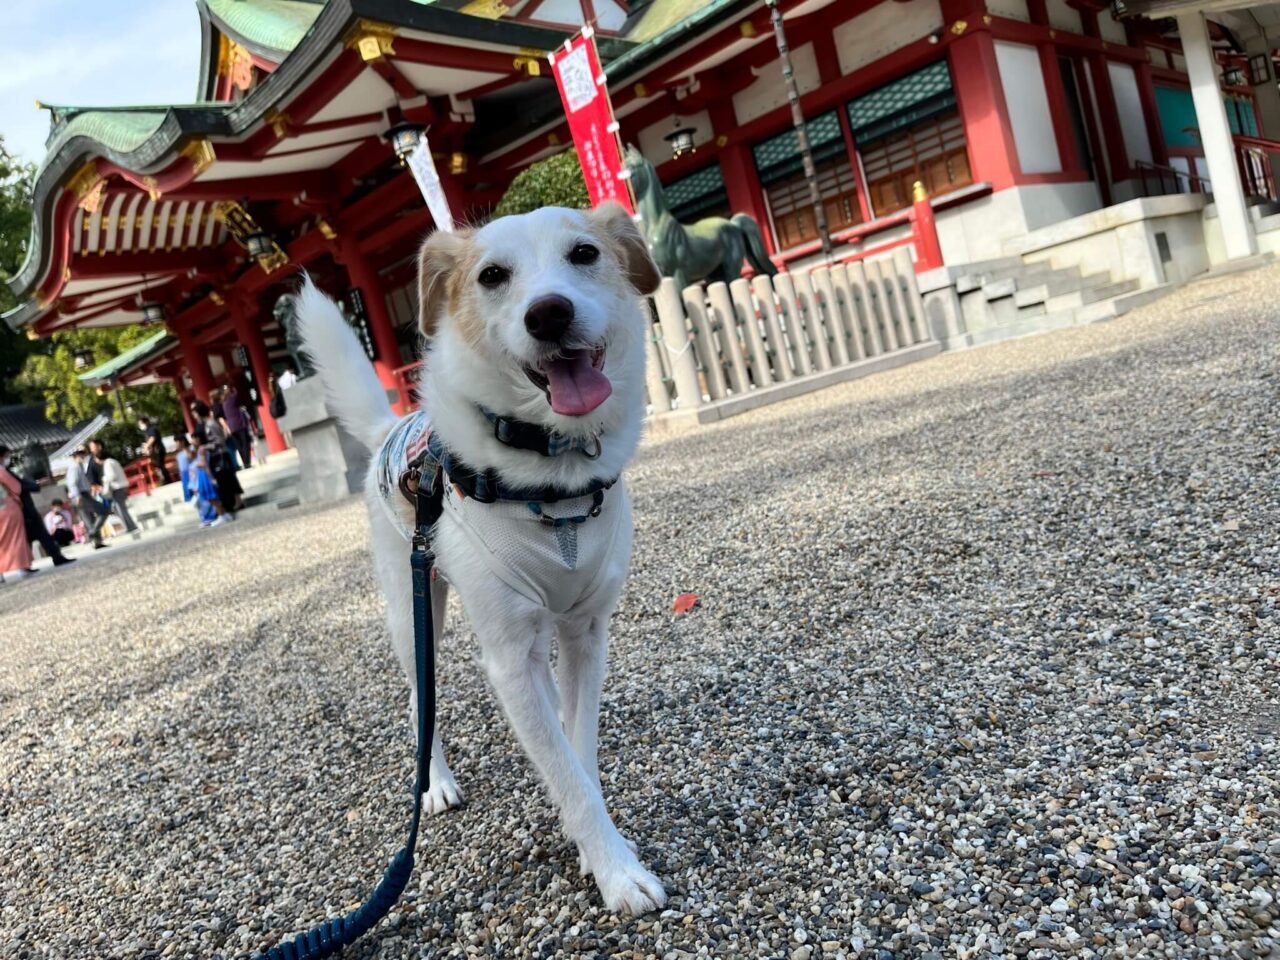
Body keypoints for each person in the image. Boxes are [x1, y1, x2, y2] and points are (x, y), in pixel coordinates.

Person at [193, 401, 242, 513]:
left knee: (228, 479)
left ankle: (236, 501)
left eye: (195, 413)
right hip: (217, 454)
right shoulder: (208, 424)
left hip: (220, 454)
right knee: (225, 480)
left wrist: (206, 446)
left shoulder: (210, 424)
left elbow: (220, 440)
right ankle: (233, 502)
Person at [0, 446, 35, 578]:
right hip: (7, 508)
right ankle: (21, 568)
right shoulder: (1, 471)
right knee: (16, 538)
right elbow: (17, 488)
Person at [65, 447, 109, 549]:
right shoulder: (74, 467)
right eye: (80, 454)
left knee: (89, 519)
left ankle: (96, 541)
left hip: (84, 494)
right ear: (76, 456)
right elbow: (72, 484)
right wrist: (78, 497)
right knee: (103, 511)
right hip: (80, 495)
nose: (83, 456)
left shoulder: (80, 466)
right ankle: (93, 533)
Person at [98, 447, 137, 533]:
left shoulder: (107, 463)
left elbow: (112, 476)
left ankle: (130, 526)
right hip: (122, 485)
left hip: (117, 487)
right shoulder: (113, 461)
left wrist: (104, 479)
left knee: (120, 508)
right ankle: (130, 525)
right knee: (120, 508)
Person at [221, 382, 254, 471]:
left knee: (239, 445)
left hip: (232, 427)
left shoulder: (224, 403)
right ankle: (247, 462)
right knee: (245, 443)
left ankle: (244, 461)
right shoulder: (232, 398)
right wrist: (234, 389)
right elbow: (237, 394)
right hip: (239, 424)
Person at [138, 416, 172, 484]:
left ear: (146, 422)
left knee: (160, 465)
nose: (140, 426)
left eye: (141, 423)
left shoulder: (151, 429)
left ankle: (167, 479)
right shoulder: (147, 431)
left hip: (158, 449)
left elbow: (152, 438)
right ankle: (164, 479)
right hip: (155, 451)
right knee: (158, 465)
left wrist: (146, 446)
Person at [174, 434, 194, 503]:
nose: (176, 444)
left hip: (191, 473)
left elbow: (190, 458)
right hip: (183, 474)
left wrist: (185, 448)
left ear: (182, 442)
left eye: (177, 442)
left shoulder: (190, 449)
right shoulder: (178, 454)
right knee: (187, 490)